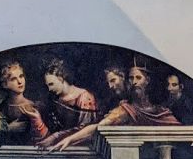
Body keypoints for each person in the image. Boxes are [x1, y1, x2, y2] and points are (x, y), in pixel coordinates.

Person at [51, 61, 180, 151]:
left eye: (138, 77)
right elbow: (98, 127)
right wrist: (70, 139)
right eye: (131, 78)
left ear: (147, 81)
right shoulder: (126, 109)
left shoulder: (162, 110)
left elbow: (179, 129)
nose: (134, 82)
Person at [39, 58, 98, 146]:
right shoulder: (56, 100)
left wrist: (55, 136)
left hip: (81, 147)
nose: (49, 89)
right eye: (47, 85)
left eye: (51, 84)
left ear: (61, 79)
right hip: (60, 146)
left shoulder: (84, 97)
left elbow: (85, 129)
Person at [0, 60, 49, 145]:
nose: (20, 81)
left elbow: (46, 137)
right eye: (13, 79)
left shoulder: (37, 107)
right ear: (4, 84)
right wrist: (8, 128)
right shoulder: (0, 109)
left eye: (21, 76)